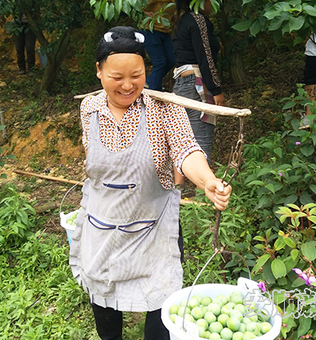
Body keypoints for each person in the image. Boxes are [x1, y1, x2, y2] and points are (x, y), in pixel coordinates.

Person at [69, 26, 232, 340]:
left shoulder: (164, 108)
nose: (128, 85)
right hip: (102, 227)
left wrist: (207, 180)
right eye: (117, 77)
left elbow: (186, 150)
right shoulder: (89, 109)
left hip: (152, 228)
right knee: (105, 312)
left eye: (137, 74)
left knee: (161, 313)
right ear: (99, 71)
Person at [172, 0, 224, 164]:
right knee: (202, 144)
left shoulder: (181, 20)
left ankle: (183, 188)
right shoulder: (197, 20)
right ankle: (202, 188)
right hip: (198, 84)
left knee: (183, 144)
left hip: (180, 86)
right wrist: (216, 89)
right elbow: (205, 57)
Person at [141, 0, 176, 91]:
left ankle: (150, 81)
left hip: (165, 31)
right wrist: (145, 13)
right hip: (150, 30)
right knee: (160, 62)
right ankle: (154, 91)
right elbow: (140, 6)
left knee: (171, 60)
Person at [13, 7, 37, 75]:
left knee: (30, 47)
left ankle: (31, 68)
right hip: (18, 24)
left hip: (30, 25)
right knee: (19, 47)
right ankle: (21, 68)